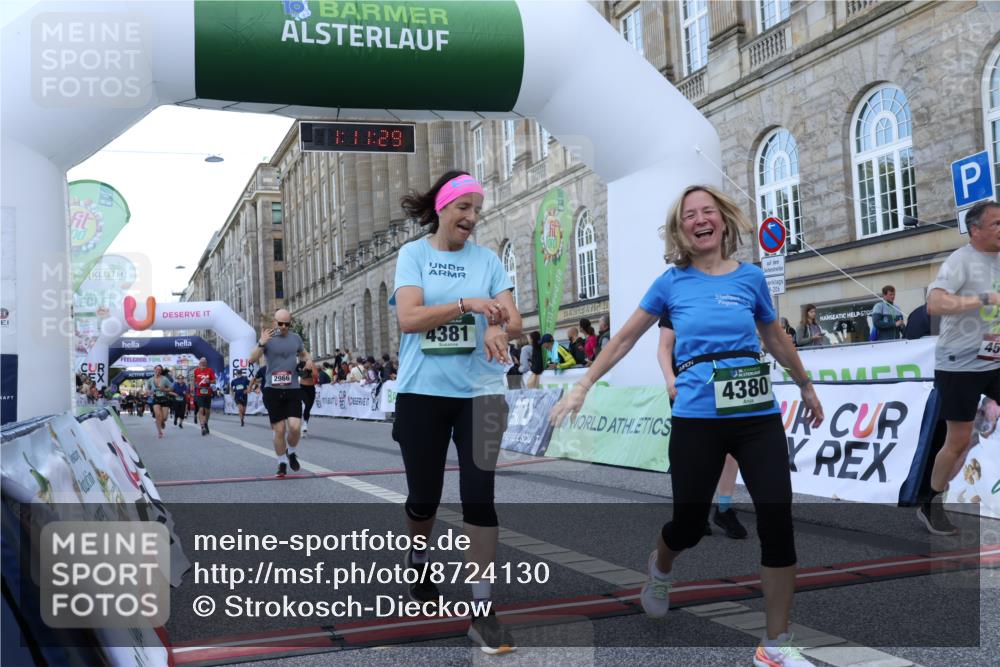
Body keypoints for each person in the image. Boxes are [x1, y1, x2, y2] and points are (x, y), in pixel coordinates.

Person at [550, 184, 823, 666]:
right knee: (690, 525)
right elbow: (624, 340)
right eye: (689, 215)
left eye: (708, 212)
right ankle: (660, 566)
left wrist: (805, 384)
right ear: (681, 228)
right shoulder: (671, 283)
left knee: (779, 522)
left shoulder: (751, 279)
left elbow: (774, 337)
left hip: (756, 415)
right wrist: (583, 384)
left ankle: (775, 646)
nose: (700, 219)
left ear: (723, 221)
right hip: (697, 418)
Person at [391, 170, 522, 654]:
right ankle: (419, 557)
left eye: (477, 209)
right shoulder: (414, 255)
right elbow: (409, 318)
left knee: (480, 498)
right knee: (423, 498)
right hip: (423, 392)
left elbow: (513, 317)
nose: (471, 217)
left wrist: (499, 328)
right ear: (442, 208)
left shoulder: (487, 260)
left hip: (483, 394)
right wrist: (468, 306)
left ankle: (482, 610)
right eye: (463, 207)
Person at [919, 200, 1000, 535]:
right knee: (959, 441)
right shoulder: (960, 261)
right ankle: (931, 501)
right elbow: (934, 304)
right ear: (975, 230)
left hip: (993, 359)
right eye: (996, 223)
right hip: (958, 365)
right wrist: (983, 299)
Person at [657, 317, 747, 540]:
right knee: (694, 452)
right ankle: (695, 512)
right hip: (689, 385)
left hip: (729, 381)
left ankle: (724, 510)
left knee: (731, 447)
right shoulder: (676, 296)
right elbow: (665, 347)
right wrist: (670, 378)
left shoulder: (727, 293)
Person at [249, 309, 312, 477]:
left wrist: (308, 361)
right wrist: (261, 343)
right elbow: (252, 359)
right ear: (274, 322)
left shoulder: (295, 338)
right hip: (272, 390)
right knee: (279, 430)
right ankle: (281, 463)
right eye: (280, 323)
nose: (284, 327)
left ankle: (291, 452)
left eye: (287, 324)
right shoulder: (267, 337)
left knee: (295, 427)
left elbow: (304, 353)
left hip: (292, 388)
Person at [146, 365, 175, 439]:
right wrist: (149, 392)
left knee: (164, 417)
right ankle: (159, 432)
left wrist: (164, 390)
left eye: (159, 370)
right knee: (158, 415)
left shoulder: (165, 379)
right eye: (157, 369)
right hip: (156, 399)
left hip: (164, 399)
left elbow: (171, 388)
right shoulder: (150, 380)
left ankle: (162, 421)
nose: (158, 371)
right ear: (154, 370)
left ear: (161, 371)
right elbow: (147, 389)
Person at [192, 357, 217, 436]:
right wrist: (192, 388)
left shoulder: (210, 370)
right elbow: (193, 380)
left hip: (207, 392)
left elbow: (214, 381)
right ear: (199, 363)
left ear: (206, 363)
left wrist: (209, 381)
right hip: (199, 392)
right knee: (201, 409)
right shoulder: (196, 371)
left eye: (204, 362)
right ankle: (202, 426)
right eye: (201, 362)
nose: (203, 363)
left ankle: (206, 423)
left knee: (207, 411)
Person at [297, 357, 318, 435]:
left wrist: (312, 367)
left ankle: (305, 422)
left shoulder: (312, 364)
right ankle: (305, 424)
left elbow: (315, 375)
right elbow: (302, 375)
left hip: (311, 388)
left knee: (309, 407)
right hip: (302, 388)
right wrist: (306, 368)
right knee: (307, 403)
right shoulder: (299, 365)